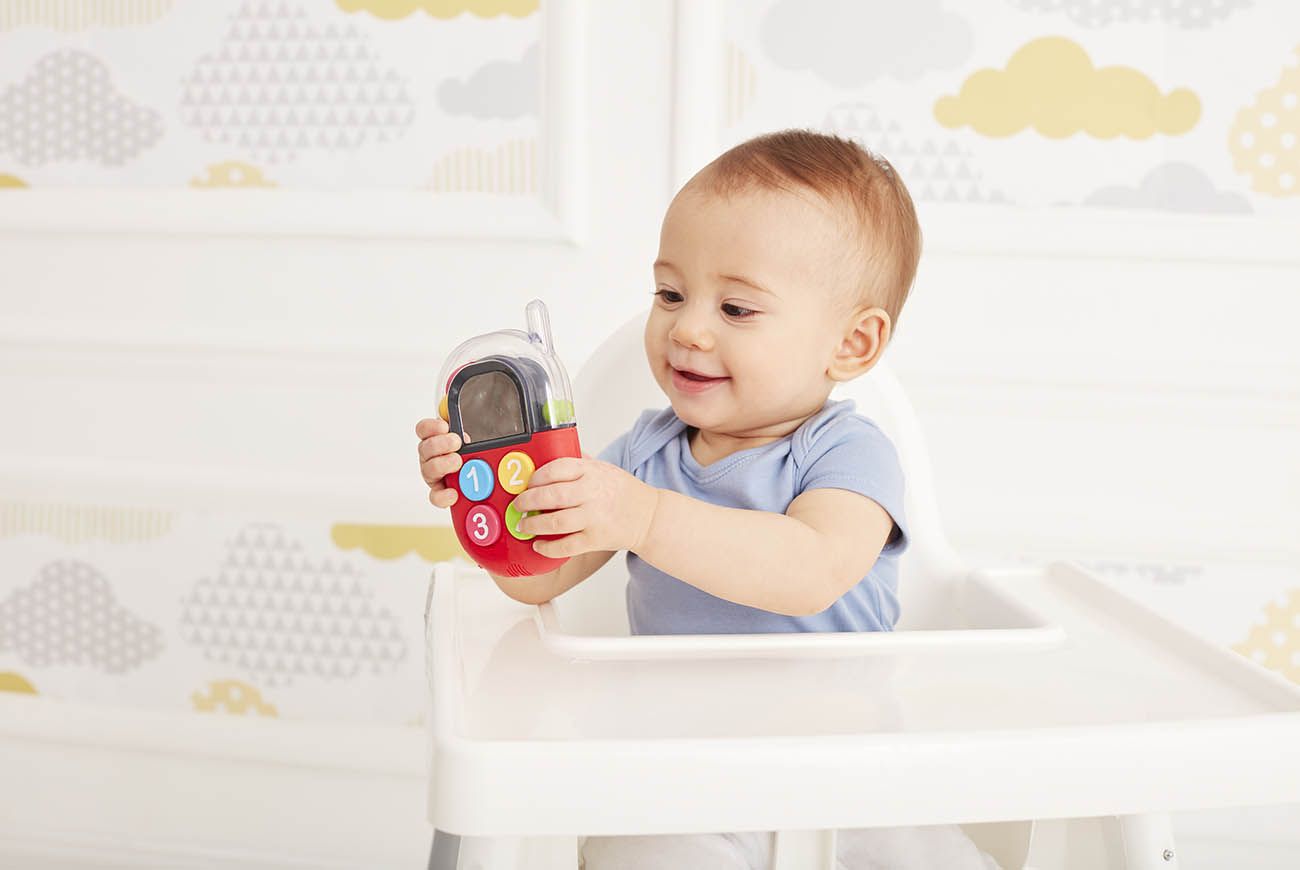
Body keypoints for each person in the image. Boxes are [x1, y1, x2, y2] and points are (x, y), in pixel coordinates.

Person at [415, 130, 998, 869]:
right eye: (671, 294)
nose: (687, 328)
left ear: (851, 345)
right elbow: (539, 578)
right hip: (677, 777)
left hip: (850, 778)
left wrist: (647, 516)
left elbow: (810, 571)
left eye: (737, 309)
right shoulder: (643, 453)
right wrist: (495, 510)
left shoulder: (847, 453)